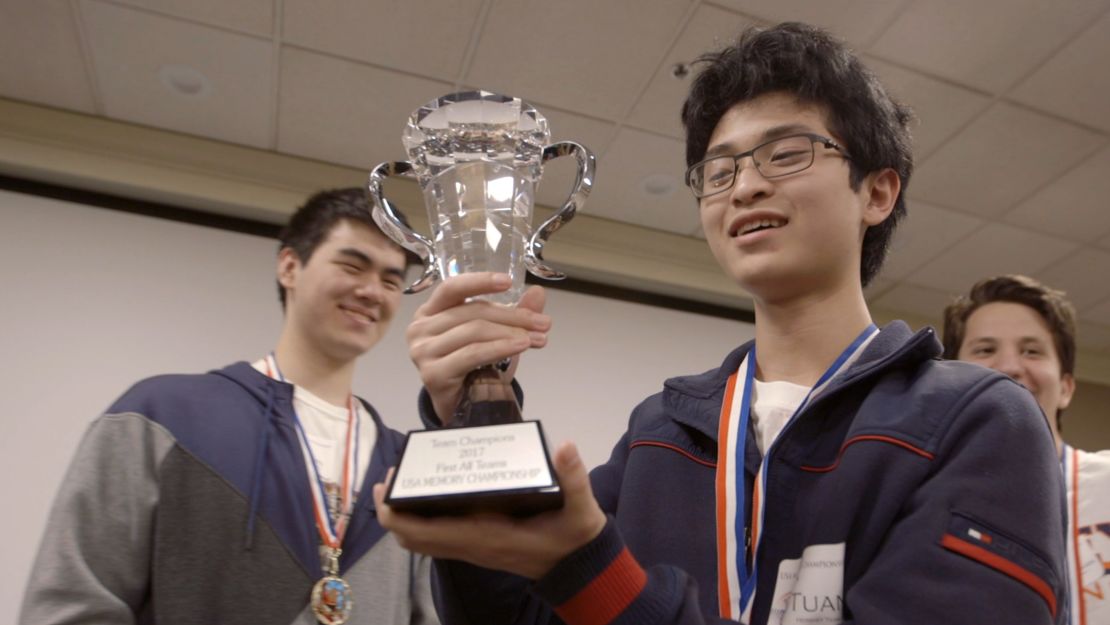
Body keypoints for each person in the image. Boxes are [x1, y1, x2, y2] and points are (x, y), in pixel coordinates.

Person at [375, 22, 1068, 625]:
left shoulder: (975, 422)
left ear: (878, 191)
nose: (745, 186)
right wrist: (468, 418)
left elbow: (595, 587)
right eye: (718, 168)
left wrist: (591, 565)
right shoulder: (660, 434)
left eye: (787, 152)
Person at [20, 188, 438, 624]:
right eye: (352, 266)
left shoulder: (406, 468)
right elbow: (72, 606)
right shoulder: (162, 418)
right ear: (290, 267)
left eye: (391, 280)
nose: (372, 291)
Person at [944, 274, 1110, 625]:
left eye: (1031, 351)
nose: (1009, 367)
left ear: (1066, 388)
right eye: (985, 350)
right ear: (950, 379)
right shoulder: (918, 500)